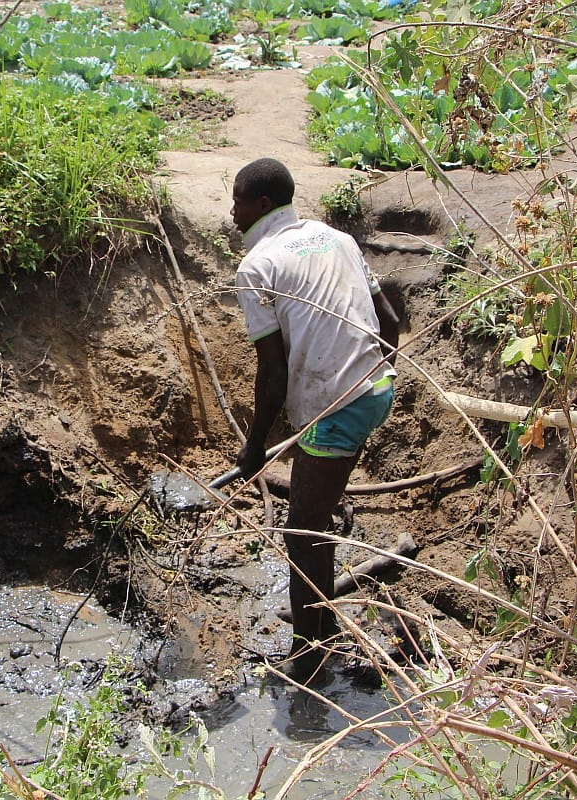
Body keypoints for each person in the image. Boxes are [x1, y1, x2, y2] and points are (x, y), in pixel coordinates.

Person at [230, 158, 401, 685]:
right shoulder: (337, 238)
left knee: (303, 530)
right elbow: (389, 321)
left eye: (236, 199)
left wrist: (255, 446)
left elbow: (273, 372)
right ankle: (321, 628)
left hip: (337, 406)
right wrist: (372, 374)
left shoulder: (257, 266)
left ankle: (311, 662)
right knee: (314, 510)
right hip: (376, 387)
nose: (231, 210)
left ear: (261, 205)